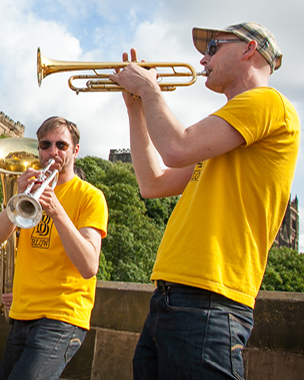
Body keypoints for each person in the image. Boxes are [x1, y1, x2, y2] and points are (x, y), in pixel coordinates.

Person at [108, 22, 299, 379]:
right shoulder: (227, 133)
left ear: (249, 49)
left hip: (210, 300)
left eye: (212, 47)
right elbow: (152, 183)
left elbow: (176, 148)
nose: (202, 58)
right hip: (173, 296)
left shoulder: (267, 102)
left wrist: (150, 90)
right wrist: (136, 109)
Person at [0, 117, 108, 380]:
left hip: (61, 315)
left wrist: (57, 212)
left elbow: (89, 266)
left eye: (61, 145)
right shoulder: (30, 190)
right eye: (46, 144)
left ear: (75, 151)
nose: (53, 152)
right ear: (39, 150)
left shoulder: (90, 196)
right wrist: (16, 198)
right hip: (22, 313)